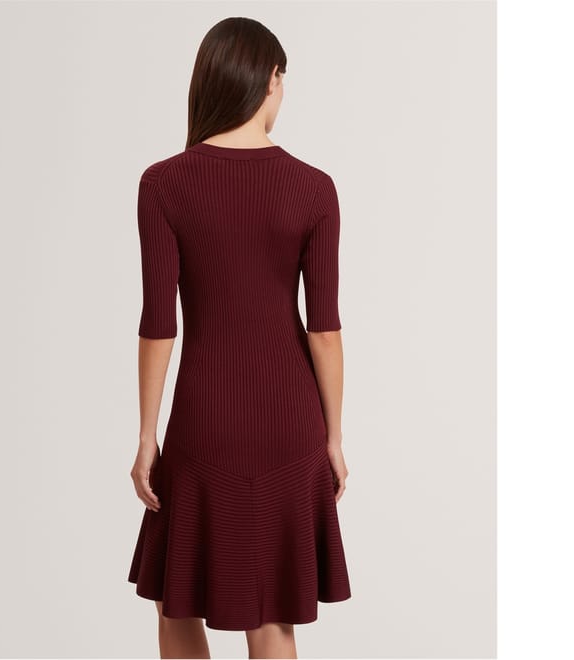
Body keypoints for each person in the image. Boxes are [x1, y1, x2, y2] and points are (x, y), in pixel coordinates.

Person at [127, 16, 351, 659]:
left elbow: (158, 324)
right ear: (271, 80)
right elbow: (325, 330)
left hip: (204, 421)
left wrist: (147, 436)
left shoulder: (163, 183)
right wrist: (333, 437)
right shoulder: (314, 188)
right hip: (290, 423)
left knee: (177, 600)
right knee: (272, 611)